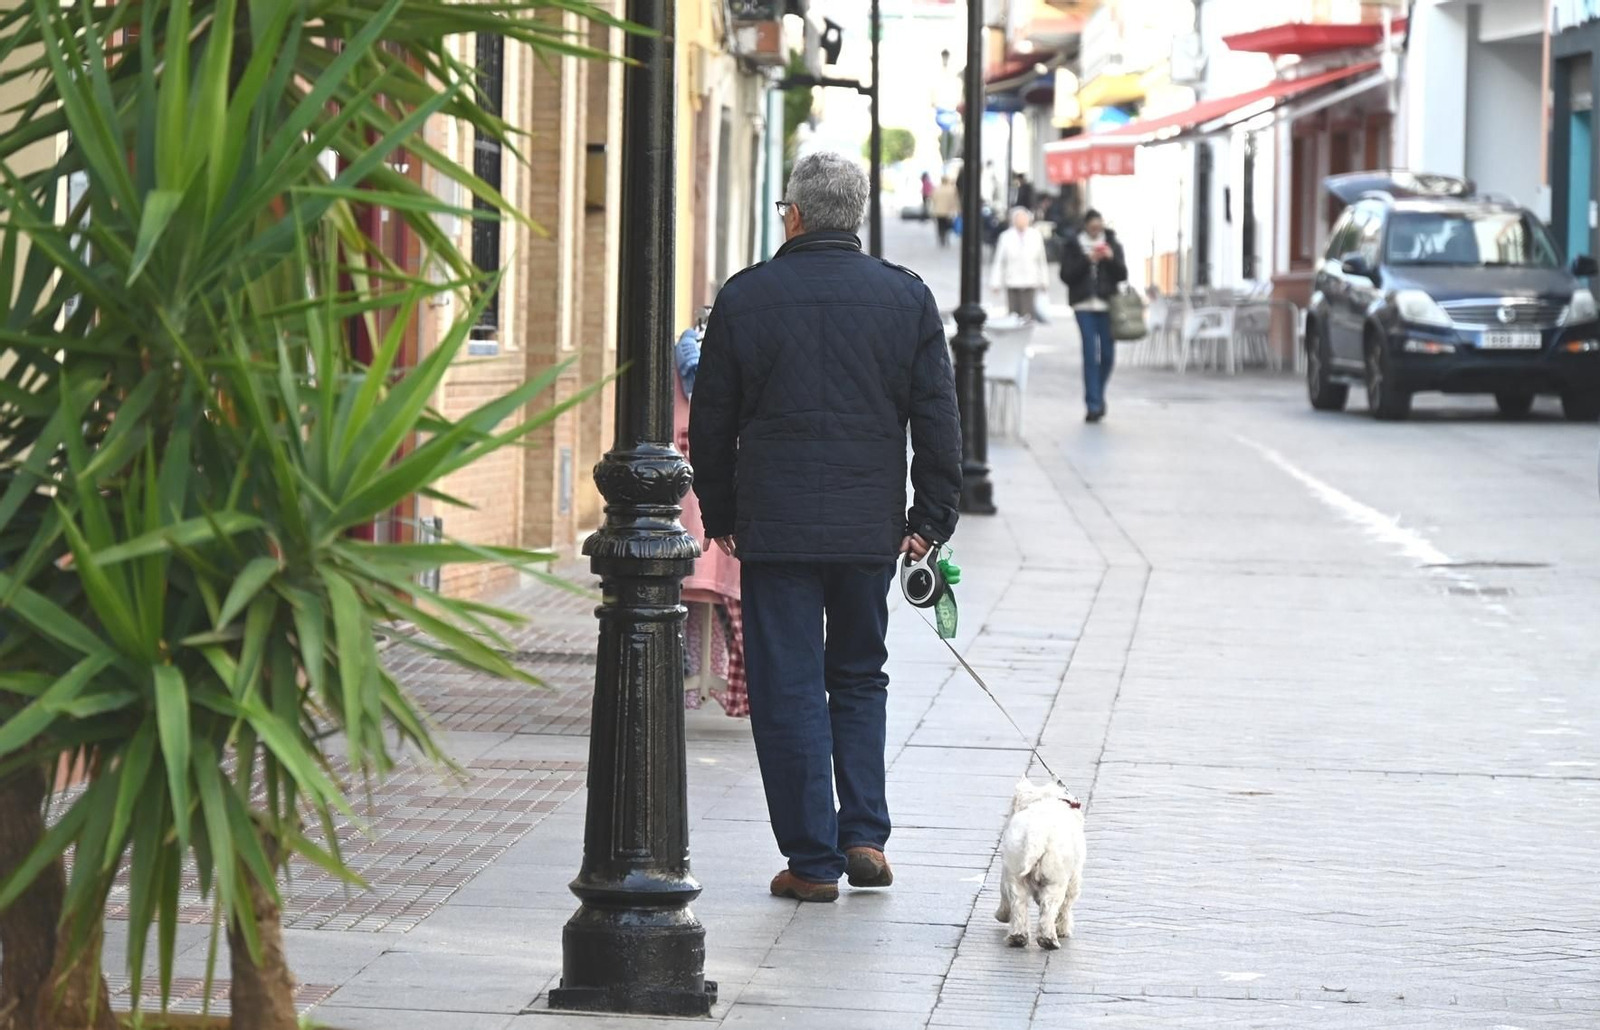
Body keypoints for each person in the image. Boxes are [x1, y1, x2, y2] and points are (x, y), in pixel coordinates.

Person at [689, 151, 963, 904]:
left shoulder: (747, 298)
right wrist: (930, 518)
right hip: (866, 528)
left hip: (773, 530)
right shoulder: (905, 299)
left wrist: (720, 513)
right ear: (860, 216)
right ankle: (864, 832)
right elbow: (938, 417)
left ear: (796, 214)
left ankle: (812, 859)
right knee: (857, 673)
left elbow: (710, 422)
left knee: (790, 687)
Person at [1060, 208, 1127, 423]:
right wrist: (1087, 260)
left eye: (1099, 225)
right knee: (1090, 353)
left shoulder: (1112, 243)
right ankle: (1093, 403)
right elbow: (1066, 275)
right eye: (1092, 225)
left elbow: (1122, 274)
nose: (1096, 228)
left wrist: (1109, 258)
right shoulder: (1074, 245)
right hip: (1083, 306)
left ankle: (1098, 393)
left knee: (1107, 355)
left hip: (1107, 307)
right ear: (1086, 225)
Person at [990, 207, 1050, 321]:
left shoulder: (1035, 235)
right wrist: (995, 282)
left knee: (1027, 315)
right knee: (1013, 315)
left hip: (1030, 281)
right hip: (1012, 280)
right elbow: (999, 261)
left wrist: (1044, 281)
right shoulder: (1006, 236)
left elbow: (1041, 260)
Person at [930, 175, 960, 248]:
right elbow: (955, 200)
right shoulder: (952, 189)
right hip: (948, 211)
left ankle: (941, 237)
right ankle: (946, 238)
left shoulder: (937, 189)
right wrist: (956, 209)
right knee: (947, 226)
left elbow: (933, 198)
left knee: (940, 225)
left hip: (938, 211)